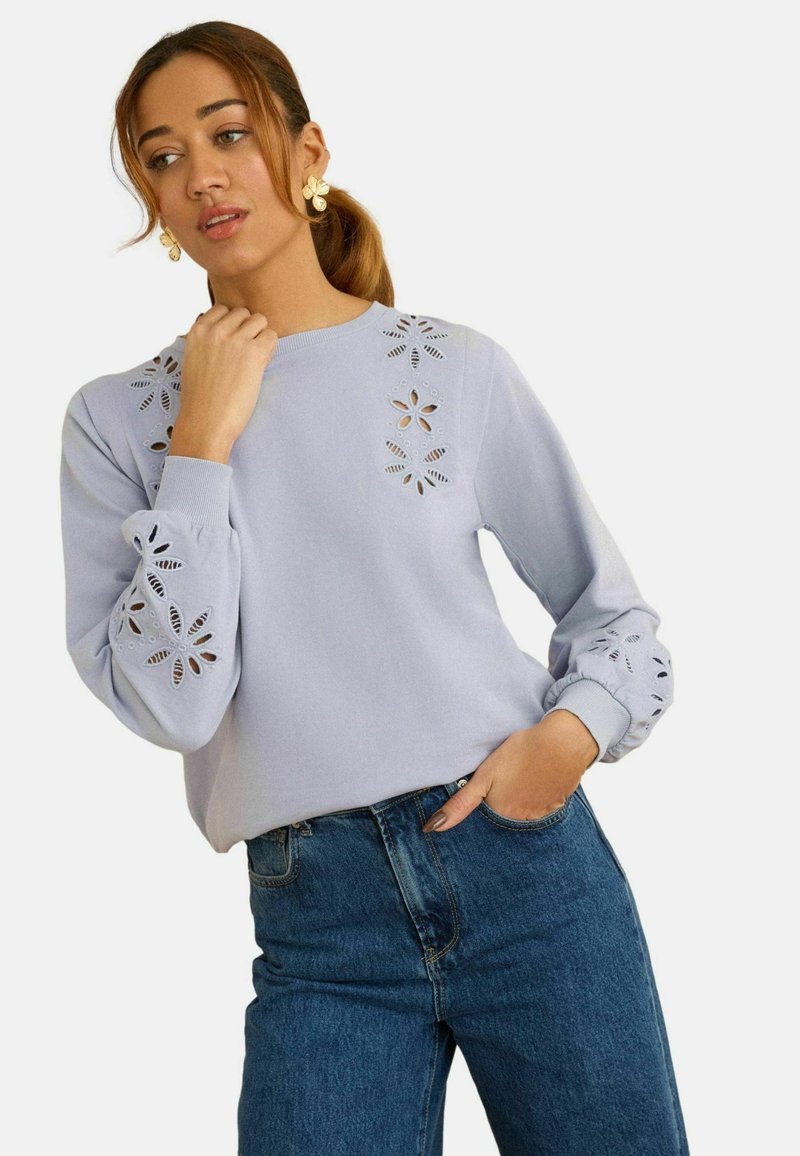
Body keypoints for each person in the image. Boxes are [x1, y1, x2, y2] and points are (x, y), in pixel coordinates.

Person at [59, 20, 690, 1156]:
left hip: (529, 879)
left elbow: (616, 620)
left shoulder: (451, 368)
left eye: (229, 134)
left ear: (308, 154)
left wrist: (564, 743)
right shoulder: (118, 421)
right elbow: (174, 705)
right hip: (320, 932)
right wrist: (200, 443)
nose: (199, 175)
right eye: (162, 156)